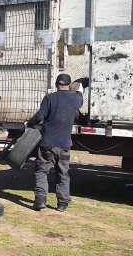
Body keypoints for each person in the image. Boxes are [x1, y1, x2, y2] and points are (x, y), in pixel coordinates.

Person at [26, 73, 83, 212]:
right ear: (69, 85)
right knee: (63, 174)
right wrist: (80, 90)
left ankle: (40, 200)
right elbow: (80, 96)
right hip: (64, 145)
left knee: (41, 171)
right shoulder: (76, 99)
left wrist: (30, 123)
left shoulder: (49, 98)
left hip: (47, 144)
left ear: (56, 84)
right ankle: (62, 204)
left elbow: (40, 116)